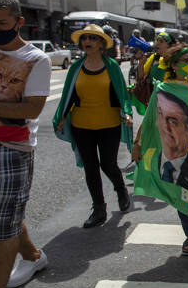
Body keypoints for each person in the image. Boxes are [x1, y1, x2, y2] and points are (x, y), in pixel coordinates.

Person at [0, 0, 51, 288]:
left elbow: (30, 110)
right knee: (5, 214)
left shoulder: (35, 59)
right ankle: (32, 256)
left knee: (2, 223)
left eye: (2, 23)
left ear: (18, 22)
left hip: (12, 149)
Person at [134, 46, 188, 265]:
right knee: (181, 199)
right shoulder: (163, 89)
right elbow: (149, 119)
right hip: (173, 156)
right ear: (173, 65)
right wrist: (138, 143)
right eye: (185, 60)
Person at [54, 24, 133, 228]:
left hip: (109, 124)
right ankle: (99, 209)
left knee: (108, 164)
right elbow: (68, 96)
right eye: (84, 38)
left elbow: (122, 94)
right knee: (90, 167)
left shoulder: (112, 67)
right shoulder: (75, 67)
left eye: (92, 38)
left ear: (100, 44)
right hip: (82, 125)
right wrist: (62, 116)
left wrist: (127, 113)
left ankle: (120, 188)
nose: (87, 41)